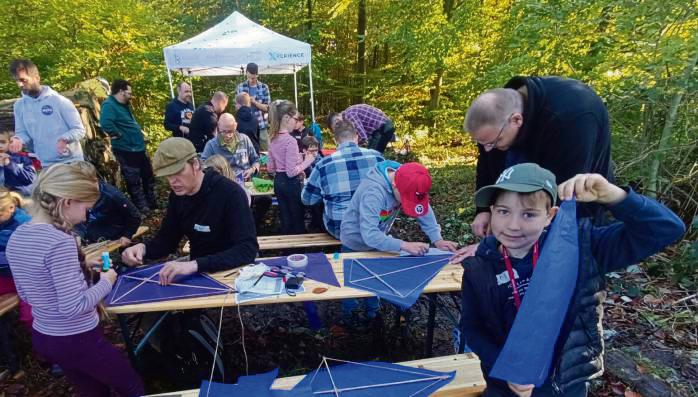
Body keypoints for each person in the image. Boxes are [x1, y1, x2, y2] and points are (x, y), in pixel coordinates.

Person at [459, 163, 685, 397]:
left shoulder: (582, 248)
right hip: (505, 386)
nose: (513, 225)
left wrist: (613, 196)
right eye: (503, 211)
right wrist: (505, 370)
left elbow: (667, 229)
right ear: (492, 211)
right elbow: (472, 327)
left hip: (564, 386)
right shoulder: (479, 267)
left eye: (529, 214)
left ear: (550, 215)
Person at [6, 162, 144, 396]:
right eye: (85, 209)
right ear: (67, 202)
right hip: (77, 338)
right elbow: (74, 306)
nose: (84, 218)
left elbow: (28, 292)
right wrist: (107, 280)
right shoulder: (59, 242)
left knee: (93, 391)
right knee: (131, 386)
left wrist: (80, 266)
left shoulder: (18, 236)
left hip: (44, 336)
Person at [464, 76, 613, 238]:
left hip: (576, 208)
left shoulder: (572, 118)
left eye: (494, 142)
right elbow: (487, 164)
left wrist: (508, 237)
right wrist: (485, 210)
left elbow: (564, 192)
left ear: (516, 120)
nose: (488, 150)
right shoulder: (495, 122)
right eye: (483, 143)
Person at [121, 138, 258, 283]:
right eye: (167, 175)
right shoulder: (178, 197)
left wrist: (194, 265)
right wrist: (143, 248)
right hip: (198, 273)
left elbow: (247, 249)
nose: (172, 181)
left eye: (178, 172)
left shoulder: (230, 193)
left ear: (196, 164)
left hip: (234, 276)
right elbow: (167, 241)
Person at [340, 160, 458, 254]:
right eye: (406, 198)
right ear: (394, 185)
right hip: (355, 245)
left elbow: (422, 209)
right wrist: (404, 245)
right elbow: (370, 235)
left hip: (380, 240)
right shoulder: (373, 193)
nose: (409, 202)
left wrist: (437, 239)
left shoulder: (409, 177)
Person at [301, 120, 384, 239]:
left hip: (339, 229)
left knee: (323, 206)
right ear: (356, 137)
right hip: (375, 226)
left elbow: (307, 199)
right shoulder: (377, 157)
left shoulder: (324, 164)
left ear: (335, 141)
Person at [9, 59, 85, 166]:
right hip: (44, 164)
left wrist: (65, 139)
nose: (19, 85)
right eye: (16, 81)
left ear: (36, 77)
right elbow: (22, 133)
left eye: (23, 80)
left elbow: (79, 130)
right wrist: (18, 139)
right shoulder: (19, 106)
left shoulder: (59, 101)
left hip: (72, 162)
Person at [100, 79, 158, 214]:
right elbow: (105, 123)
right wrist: (119, 135)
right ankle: (142, 207)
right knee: (133, 179)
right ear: (121, 91)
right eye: (129, 92)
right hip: (126, 149)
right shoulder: (109, 105)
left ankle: (152, 202)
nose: (130, 95)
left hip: (138, 147)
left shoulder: (123, 104)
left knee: (148, 175)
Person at [267, 101, 316, 235]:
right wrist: (308, 161)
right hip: (291, 184)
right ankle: (298, 254)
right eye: (295, 119)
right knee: (297, 220)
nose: (296, 122)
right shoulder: (291, 141)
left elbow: (271, 168)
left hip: (278, 183)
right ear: (286, 118)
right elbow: (291, 172)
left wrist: (297, 158)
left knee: (285, 219)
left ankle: (286, 253)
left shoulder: (272, 138)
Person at [74, 163, 141, 245]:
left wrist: (127, 235)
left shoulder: (112, 195)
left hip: (115, 228)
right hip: (94, 228)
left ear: (94, 180)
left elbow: (135, 215)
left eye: (84, 185)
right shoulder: (79, 194)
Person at [0, 190, 32, 329]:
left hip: (24, 278)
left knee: (30, 316)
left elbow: (26, 258)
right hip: (5, 276)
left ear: (11, 208)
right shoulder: (5, 220)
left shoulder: (23, 224)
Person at [201, 113, 260, 182]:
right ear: (218, 127)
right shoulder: (211, 145)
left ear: (236, 126)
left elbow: (256, 160)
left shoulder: (244, 139)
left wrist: (252, 169)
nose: (228, 135)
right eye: (223, 131)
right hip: (224, 184)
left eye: (231, 131)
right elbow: (204, 167)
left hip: (245, 183)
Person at [327, 104, 395, 153]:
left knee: (372, 155)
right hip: (380, 128)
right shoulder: (348, 114)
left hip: (383, 128)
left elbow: (363, 137)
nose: (339, 128)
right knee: (370, 153)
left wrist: (350, 148)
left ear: (337, 119)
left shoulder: (349, 115)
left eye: (337, 126)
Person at [236, 63, 271, 151]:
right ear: (246, 73)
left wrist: (254, 102)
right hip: (245, 126)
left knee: (266, 152)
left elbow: (268, 108)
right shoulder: (240, 87)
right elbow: (237, 108)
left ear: (257, 74)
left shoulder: (264, 87)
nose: (251, 79)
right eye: (249, 77)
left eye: (253, 78)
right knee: (246, 151)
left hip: (261, 125)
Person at [0, 130, 36, 196]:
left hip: (18, 194)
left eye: (3, 142)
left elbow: (31, 178)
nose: (0, 146)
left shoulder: (22, 158)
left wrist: (9, 164)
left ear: (10, 142)